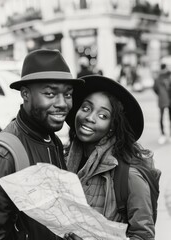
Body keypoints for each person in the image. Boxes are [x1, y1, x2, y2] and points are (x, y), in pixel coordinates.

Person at [0, 49, 85, 240]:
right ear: (25, 94)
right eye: (50, 93)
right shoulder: (3, 156)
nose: (62, 103)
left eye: (68, 94)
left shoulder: (53, 140)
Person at [65, 75, 159, 240]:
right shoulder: (63, 161)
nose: (89, 117)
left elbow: (143, 236)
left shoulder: (129, 176)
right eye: (86, 108)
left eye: (103, 116)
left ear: (112, 127)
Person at [153, 63, 171, 144]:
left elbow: (155, 89)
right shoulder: (168, 76)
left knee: (162, 117)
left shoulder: (158, 77)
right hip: (167, 99)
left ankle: (163, 135)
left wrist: (160, 94)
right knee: (166, 118)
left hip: (163, 99)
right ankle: (166, 135)